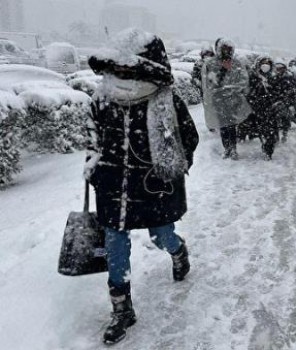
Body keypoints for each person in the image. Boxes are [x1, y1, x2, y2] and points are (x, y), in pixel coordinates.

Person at [86, 28, 199, 345]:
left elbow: (189, 139)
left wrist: (172, 166)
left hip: (154, 187)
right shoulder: (102, 100)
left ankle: (178, 251)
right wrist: (94, 165)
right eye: (118, 68)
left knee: (162, 235)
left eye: (129, 68)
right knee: (115, 244)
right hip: (113, 187)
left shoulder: (165, 101)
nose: (122, 74)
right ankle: (122, 308)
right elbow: (92, 139)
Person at [202, 38, 251, 159]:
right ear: (218, 49)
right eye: (224, 49)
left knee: (232, 125)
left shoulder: (237, 64)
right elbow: (211, 83)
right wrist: (223, 70)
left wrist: (232, 90)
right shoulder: (211, 64)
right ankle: (226, 148)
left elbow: (244, 81)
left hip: (234, 100)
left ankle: (233, 149)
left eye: (229, 49)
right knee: (223, 125)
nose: (227, 52)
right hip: (219, 100)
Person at [247, 56, 278, 160]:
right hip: (257, 108)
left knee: (270, 132)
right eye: (263, 63)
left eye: (267, 64)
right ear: (258, 65)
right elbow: (249, 92)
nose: (265, 66)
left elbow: (278, 91)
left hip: (271, 109)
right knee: (258, 129)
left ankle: (268, 151)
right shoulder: (253, 76)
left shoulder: (273, 77)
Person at [271, 59, 296, 142]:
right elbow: (271, 89)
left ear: (284, 68)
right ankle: (276, 136)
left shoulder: (289, 77)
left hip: (286, 102)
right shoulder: (273, 77)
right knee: (274, 120)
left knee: (285, 119)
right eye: (277, 68)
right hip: (276, 102)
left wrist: (288, 100)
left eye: (280, 68)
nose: (279, 70)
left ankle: (284, 134)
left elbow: (293, 90)